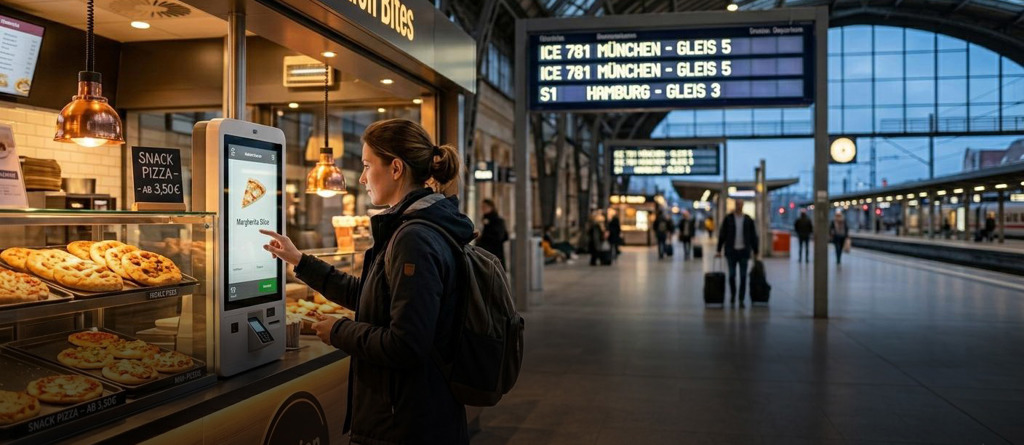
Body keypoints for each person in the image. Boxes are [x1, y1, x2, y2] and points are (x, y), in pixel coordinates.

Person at [260, 118, 471, 445]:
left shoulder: (414, 237)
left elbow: (407, 345)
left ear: (396, 168)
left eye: (367, 165)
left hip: (405, 424)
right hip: (412, 415)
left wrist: (339, 331)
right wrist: (300, 261)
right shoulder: (412, 227)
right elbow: (372, 296)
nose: (361, 178)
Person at [716, 201, 758, 307]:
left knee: (743, 276)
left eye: (741, 204)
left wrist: (756, 251)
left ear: (743, 206)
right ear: (735, 206)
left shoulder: (748, 219)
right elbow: (722, 234)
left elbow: (753, 236)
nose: (739, 206)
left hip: (744, 252)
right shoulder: (728, 219)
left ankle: (741, 298)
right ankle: (733, 295)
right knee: (732, 275)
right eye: (737, 204)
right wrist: (719, 250)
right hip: (731, 251)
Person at [476, 198, 508, 269]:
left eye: (485, 206)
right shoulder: (484, 219)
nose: (483, 209)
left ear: (491, 207)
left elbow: (501, 236)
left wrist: (483, 236)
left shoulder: (497, 221)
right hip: (484, 254)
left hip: (494, 253)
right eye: (482, 207)